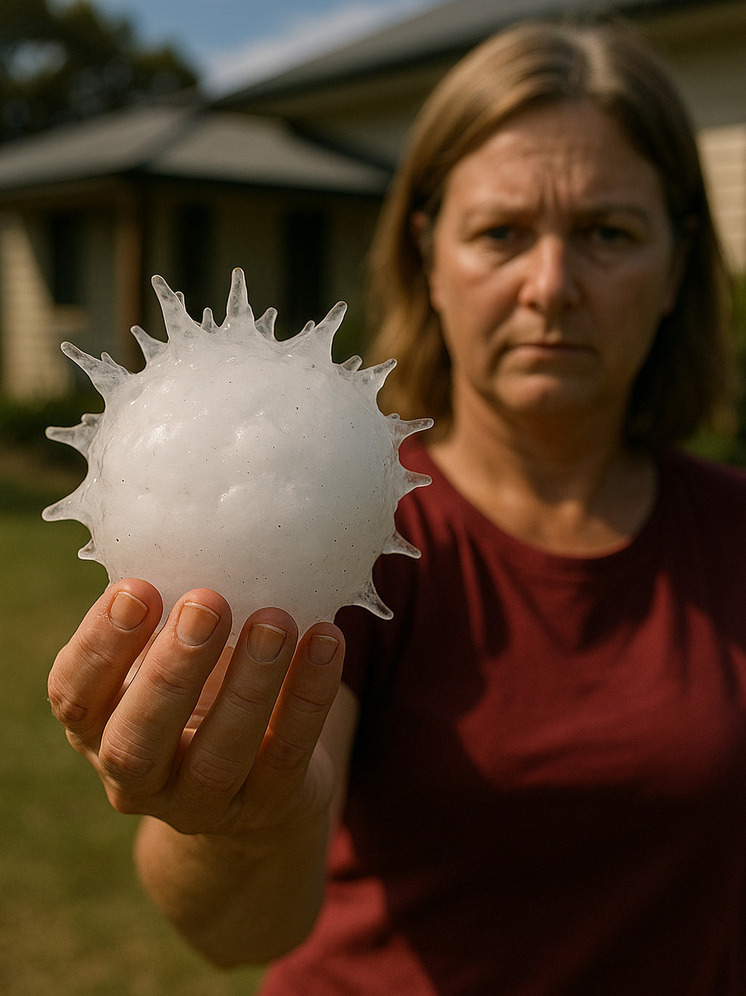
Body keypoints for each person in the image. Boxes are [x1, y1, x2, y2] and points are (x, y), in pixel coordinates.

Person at [46, 19, 746, 996]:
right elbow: (242, 928)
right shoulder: (342, 529)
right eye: (501, 234)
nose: (550, 287)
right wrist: (246, 819)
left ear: (674, 266)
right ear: (429, 257)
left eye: (607, 233)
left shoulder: (732, 532)